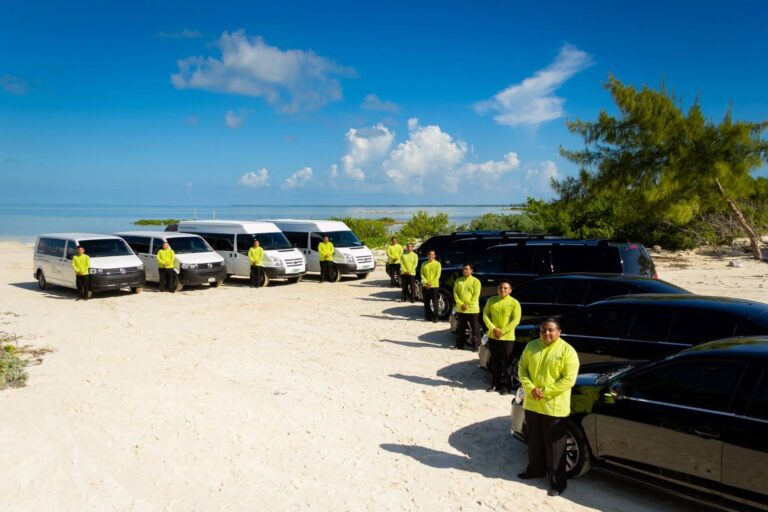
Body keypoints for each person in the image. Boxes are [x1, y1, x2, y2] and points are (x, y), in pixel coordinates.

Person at [517, 318, 579, 497]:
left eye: (551, 330)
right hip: (533, 403)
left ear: (559, 331)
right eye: (543, 330)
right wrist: (530, 388)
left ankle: (557, 483)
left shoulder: (567, 351)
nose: (546, 334)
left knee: (555, 447)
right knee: (534, 440)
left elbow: (568, 380)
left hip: (554, 406)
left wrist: (544, 392)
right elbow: (522, 369)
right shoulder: (532, 346)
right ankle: (535, 469)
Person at [482, 281, 521, 395]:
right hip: (493, 335)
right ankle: (495, 384)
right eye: (500, 288)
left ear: (510, 290)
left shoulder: (514, 303)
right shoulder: (491, 300)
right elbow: (485, 315)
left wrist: (503, 331)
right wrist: (493, 328)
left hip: (507, 337)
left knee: (507, 363)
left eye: (505, 288)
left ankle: (506, 386)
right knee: (495, 361)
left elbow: (515, 320)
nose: (502, 290)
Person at [452, 263, 481, 350]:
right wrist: (461, 304)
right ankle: (459, 345)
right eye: (463, 269)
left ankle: (477, 346)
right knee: (460, 328)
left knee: (475, 329)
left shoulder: (476, 281)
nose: (465, 271)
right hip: (461, 309)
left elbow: (476, 295)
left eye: (467, 269)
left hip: (472, 309)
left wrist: (467, 305)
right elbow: (455, 293)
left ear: (471, 270)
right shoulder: (458, 281)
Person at [420, 250, 441, 322]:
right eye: (429, 254)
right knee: (426, 302)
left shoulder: (438, 264)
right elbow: (422, 275)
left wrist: (431, 283)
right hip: (425, 286)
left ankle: (435, 317)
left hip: (434, 286)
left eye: (432, 254)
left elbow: (437, 275)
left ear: (434, 255)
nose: (431, 256)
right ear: (427, 255)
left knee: (435, 302)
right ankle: (428, 316)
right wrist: (426, 283)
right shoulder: (424, 264)